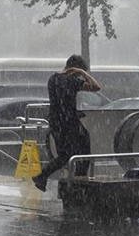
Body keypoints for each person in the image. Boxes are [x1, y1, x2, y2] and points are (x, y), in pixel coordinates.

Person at [32, 55, 101, 192]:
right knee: (84, 150)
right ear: (75, 68)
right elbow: (96, 87)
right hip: (69, 122)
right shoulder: (72, 80)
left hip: (55, 121)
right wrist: (82, 73)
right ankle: (79, 180)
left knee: (64, 154)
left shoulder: (52, 79)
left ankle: (43, 176)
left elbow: (61, 99)